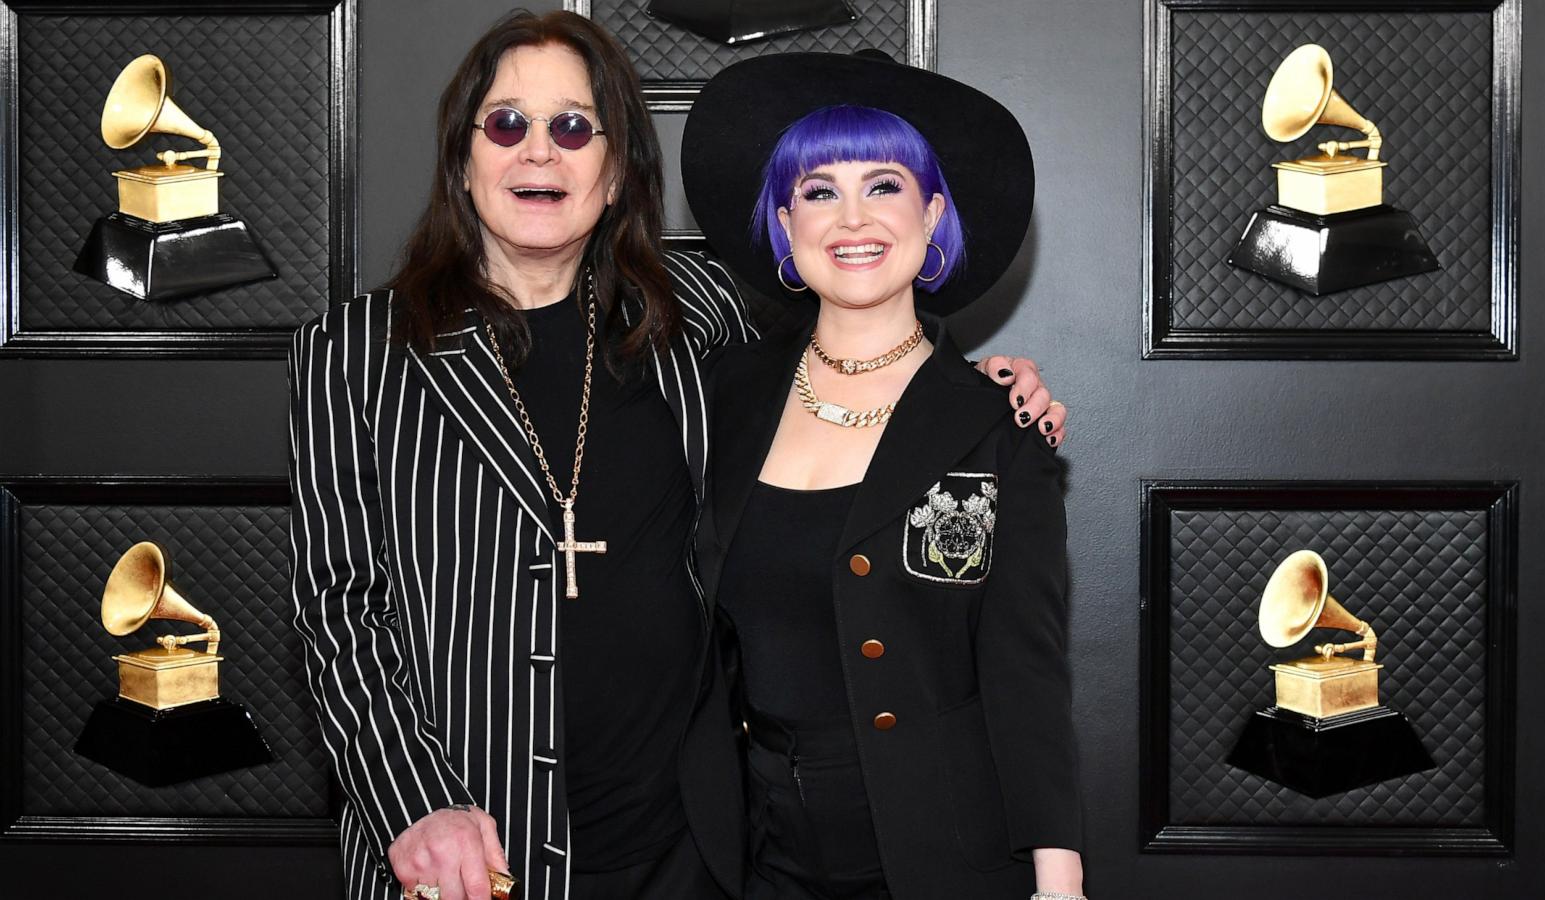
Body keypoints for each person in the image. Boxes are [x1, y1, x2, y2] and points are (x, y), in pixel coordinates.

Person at [289, 11, 1062, 900]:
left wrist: (982, 386)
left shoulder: (691, 312)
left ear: (615, 170)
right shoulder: (354, 351)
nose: (540, 153)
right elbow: (339, 609)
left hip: (691, 845)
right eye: (507, 124)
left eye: (574, 127)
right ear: (465, 162)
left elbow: (856, 314)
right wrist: (414, 805)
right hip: (469, 848)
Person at [683, 53, 1086, 900]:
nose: (851, 218)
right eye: (819, 191)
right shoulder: (717, 398)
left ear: (935, 214)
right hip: (750, 856)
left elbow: (1027, 677)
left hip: (938, 854)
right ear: (784, 224)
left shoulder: (1000, 425)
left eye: (885, 185)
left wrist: (1059, 883)